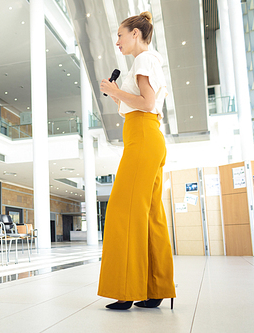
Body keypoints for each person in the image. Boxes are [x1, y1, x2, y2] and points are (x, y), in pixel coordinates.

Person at [98, 11, 176, 310]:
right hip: (148, 137)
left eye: (120, 34)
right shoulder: (149, 62)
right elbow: (142, 104)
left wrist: (116, 91)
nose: (117, 41)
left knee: (123, 210)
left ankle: (127, 290)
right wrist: (118, 96)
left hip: (142, 138)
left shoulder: (143, 60)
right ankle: (155, 287)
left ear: (135, 34)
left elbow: (147, 103)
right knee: (150, 214)